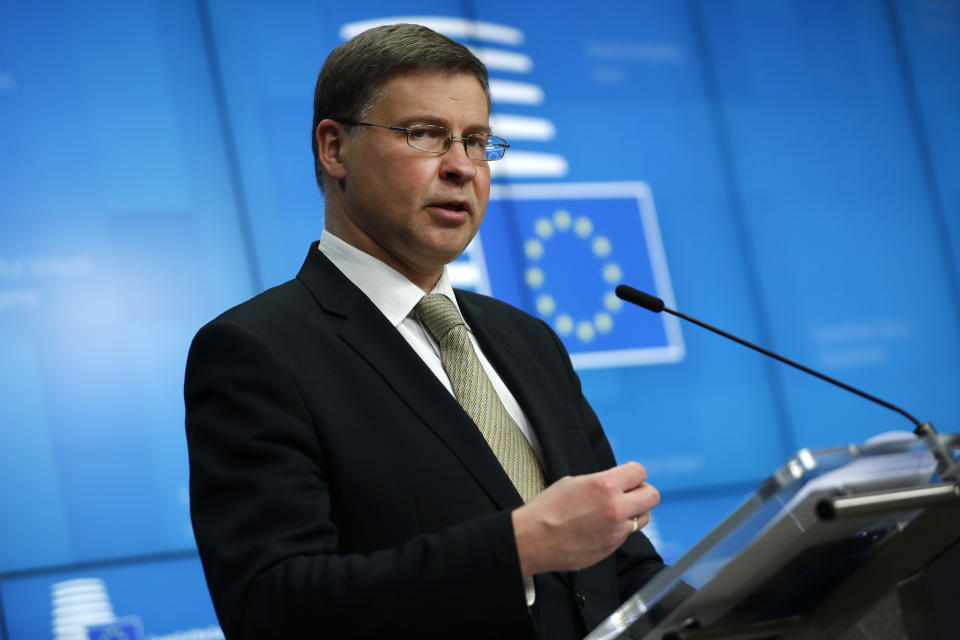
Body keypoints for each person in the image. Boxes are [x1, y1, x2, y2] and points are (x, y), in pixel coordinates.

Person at [185, 23, 665, 640]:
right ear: (334, 149)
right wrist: (514, 549)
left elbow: (617, 561)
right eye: (426, 135)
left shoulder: (528, 338)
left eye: (477, 141)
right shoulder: (257, 351)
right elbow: (272, 607)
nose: (463, 167)